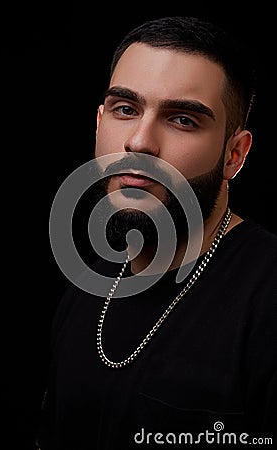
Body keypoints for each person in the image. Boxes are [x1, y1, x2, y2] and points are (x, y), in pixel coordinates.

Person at [37, 16, 277, 449]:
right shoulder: (87, 289)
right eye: (125, 109)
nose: (140, 142)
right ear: (98, 123)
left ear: (234, 154)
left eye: (182, 119)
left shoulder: (267, 299)